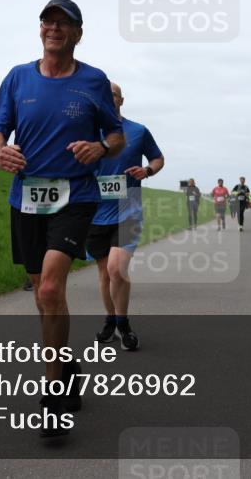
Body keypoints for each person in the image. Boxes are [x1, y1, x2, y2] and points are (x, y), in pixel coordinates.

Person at [0, 0, 124, 436]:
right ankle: (65, 364)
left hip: (75, 196)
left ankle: (52, 396)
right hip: (26, 198)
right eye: (48, 21)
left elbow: (116, 135)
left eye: (64, 23)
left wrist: (101, 148)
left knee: (50, 285)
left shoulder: (95, 81)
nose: (54, 28)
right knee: (40, 293)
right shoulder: (17, 78)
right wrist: (0, 154)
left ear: (78, 33)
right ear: (40, 29)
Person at [86, 82, 164, 351]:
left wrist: (148, 171)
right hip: (94, 212)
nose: (108, 99)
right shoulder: (87, 132)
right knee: (104, 275)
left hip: (127, 210)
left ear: (121, 100)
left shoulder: (138, 131)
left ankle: (123, 324)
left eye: (114, 95)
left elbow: (157, 158)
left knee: (116, 268)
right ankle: (111, 321)